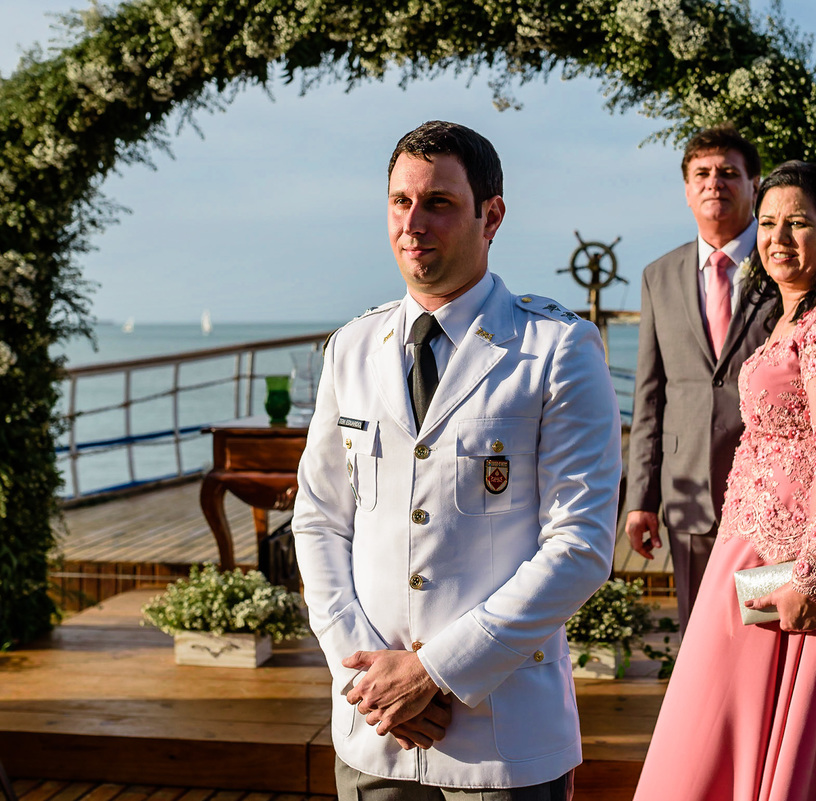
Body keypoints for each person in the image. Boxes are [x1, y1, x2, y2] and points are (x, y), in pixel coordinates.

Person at [292, 120, 621, 800]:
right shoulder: (351, 348)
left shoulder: (556, 348)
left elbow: (582, 545)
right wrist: (370, 681)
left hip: (499, 737)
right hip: (374, 731)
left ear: (490, 215)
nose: (413, 222)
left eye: (438, 202)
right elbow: (320, 522)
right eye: (399, 201)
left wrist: (434, 671)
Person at [632, 161, 816, 801]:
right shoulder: (796, 316)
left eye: (800, 224)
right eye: (767, 223)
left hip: (808, 569)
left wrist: (813, 574)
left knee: (764, 751)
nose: (779, 238)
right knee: (717, 736)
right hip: (757, 556)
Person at [624, 124, 776, 633]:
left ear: (754, 184)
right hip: (687, 491)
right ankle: (704, 718)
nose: (716, 183)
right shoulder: (659, 275)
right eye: (703, 174)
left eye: (730, 173)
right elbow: (650, 396)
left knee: (762, 628)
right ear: (687, 190)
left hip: (770, 493)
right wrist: (641, 499)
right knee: (700, 634)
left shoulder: (785, 267)